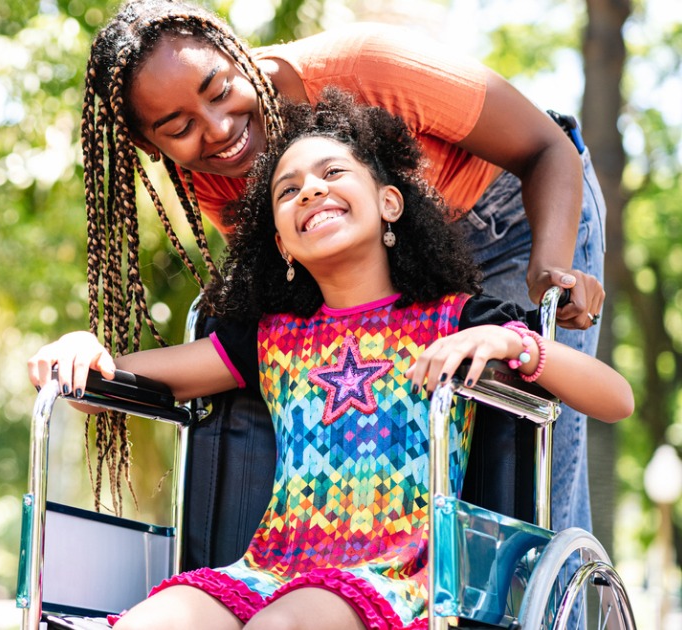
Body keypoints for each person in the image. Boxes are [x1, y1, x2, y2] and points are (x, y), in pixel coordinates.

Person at [32, 92, 631, 630]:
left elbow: (616, 399)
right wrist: (86, 351)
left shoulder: (458, 319)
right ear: (281, 243)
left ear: (389, 201)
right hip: (267, 571)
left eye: (332, 173)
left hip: (400, 577)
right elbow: (133, 375)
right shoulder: (271, 340)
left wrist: (515, 344)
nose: (311, 190)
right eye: (287, 190)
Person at [80, 0, 607, 534]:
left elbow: (547, 147)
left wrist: (548, 272)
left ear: (238, 55)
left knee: (529, 465)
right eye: (178, 127)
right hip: (394, 262)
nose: (217, 129)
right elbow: (305, 289)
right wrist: (95, 362)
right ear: (150, 145)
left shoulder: (363, 65)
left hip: (516, 215)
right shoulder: (216, 174)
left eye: (219, 92)